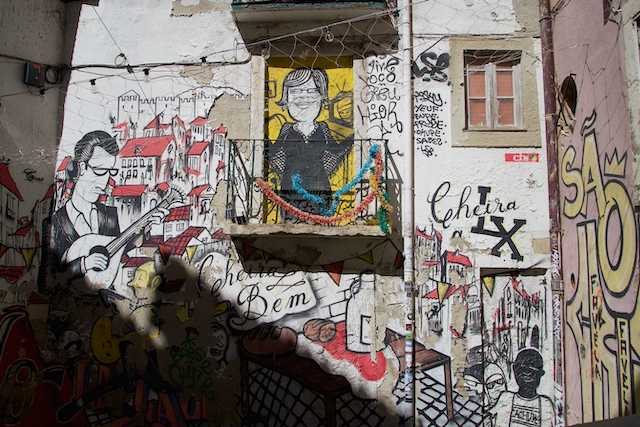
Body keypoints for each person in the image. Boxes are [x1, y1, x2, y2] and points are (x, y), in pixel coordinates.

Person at [268, 67, 352, 220]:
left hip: (320, 190)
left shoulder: (323, 128)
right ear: (286, 98)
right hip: (290, 192)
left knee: (321, 223)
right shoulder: (286, 129)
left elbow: (335, 151)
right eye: (295, 91)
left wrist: (354, 137)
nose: (303, 97)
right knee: (290, 226)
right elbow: (274, 153)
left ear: (322, 97)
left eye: (311, 91)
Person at [51, 131, 121, 277]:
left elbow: (119, 257)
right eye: (100, 171)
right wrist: (84, 264)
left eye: (110, 172)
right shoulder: (55, 223)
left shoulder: (110, 216)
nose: (104, 183)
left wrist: (145, 228)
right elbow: (48, 281)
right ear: (82, 167)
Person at [489, 348, 554, 427]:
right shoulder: (506, 398)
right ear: (514, 370)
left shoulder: (545, 403)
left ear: (540, 374)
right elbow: (488, 419)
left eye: (532, 370)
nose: (527, 373)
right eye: (523, 369)